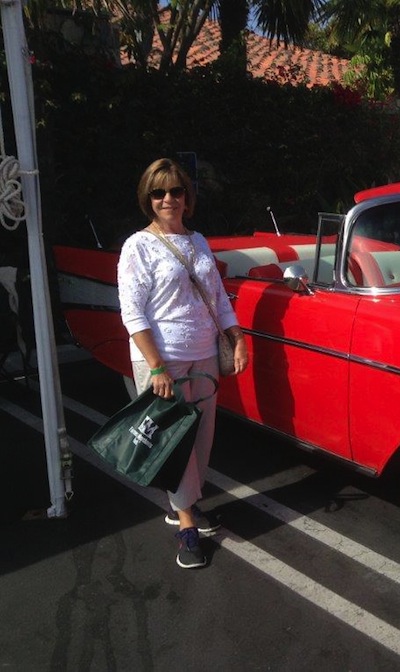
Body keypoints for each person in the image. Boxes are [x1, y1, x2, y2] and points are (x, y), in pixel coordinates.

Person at [117, 158, 248, 568]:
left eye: (176, 191)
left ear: (187, 197)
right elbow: (132, 313)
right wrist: (156, 367)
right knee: (175, 446)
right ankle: (187, 525)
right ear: (147, 198)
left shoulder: (199, 241)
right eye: (159, 192)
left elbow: (219, 299)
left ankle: (184, 503)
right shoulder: (138, 246)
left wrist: (237, 339)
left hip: (204, 354)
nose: (168, 199)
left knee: (201, 439)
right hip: (164, 360)